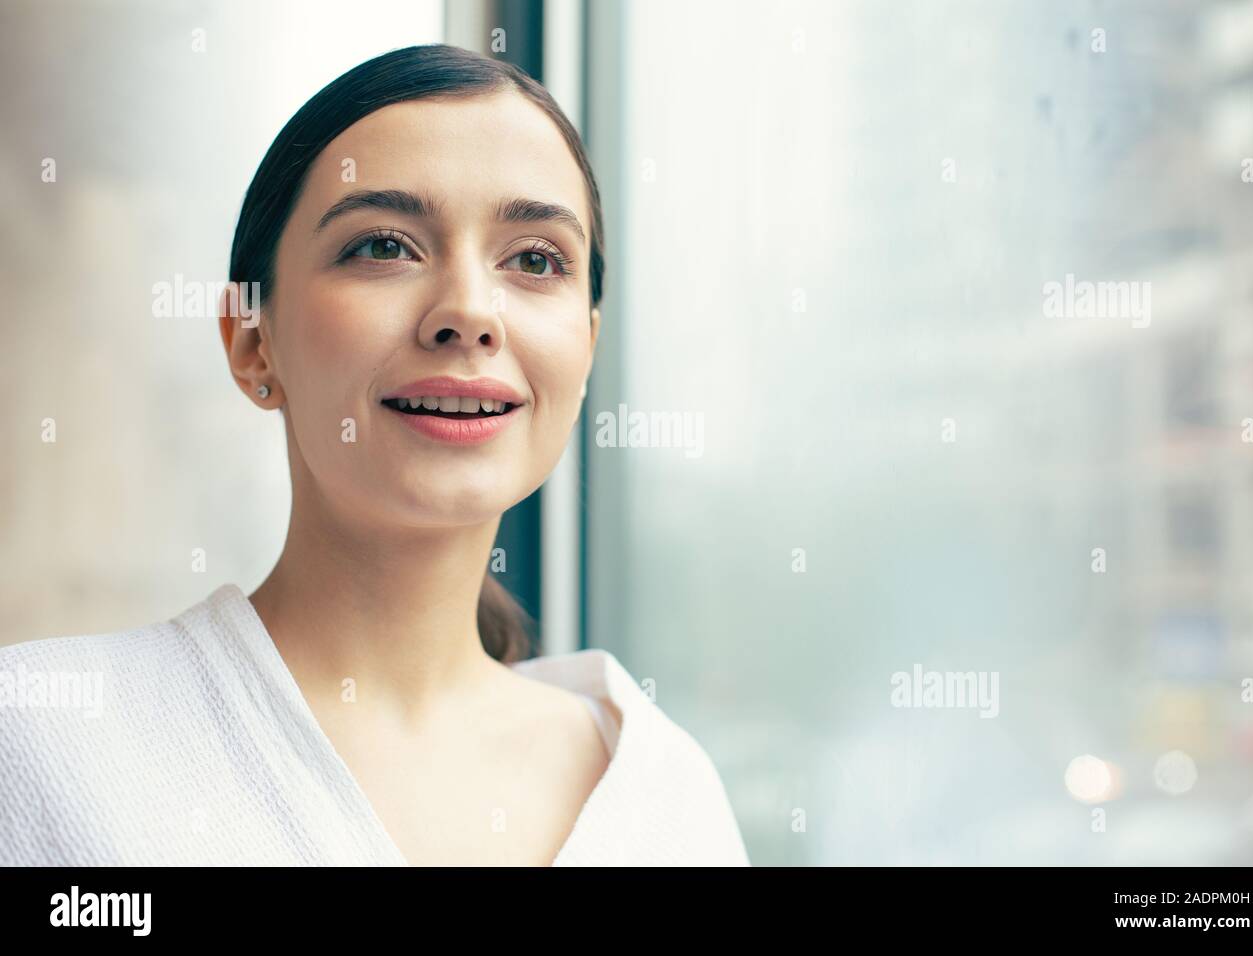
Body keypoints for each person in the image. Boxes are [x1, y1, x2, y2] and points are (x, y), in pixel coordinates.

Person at [0, 43, 750, 867]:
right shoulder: (41, 744)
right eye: (384, 246)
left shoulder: (668, 800)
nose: (468, 312)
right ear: (254, 341)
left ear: (587, 349)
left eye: (535, 260)